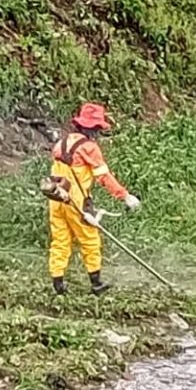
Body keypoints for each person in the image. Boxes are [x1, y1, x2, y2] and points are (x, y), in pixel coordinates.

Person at [46, 102, 141, 295]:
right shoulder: (89, 148)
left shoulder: (61, 143)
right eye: (97, 128)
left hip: (56, 199)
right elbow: (103, 177)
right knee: (90, 240)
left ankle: (58, 284)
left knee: (60, 240)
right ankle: (96, 283)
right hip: (76, 203)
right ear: (93, 128)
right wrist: (125, 196)